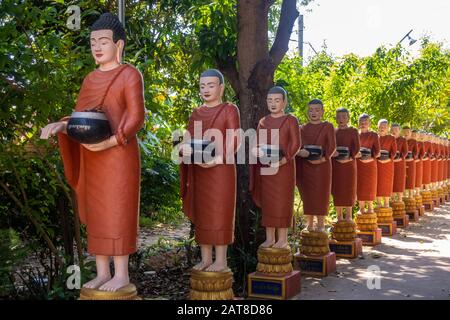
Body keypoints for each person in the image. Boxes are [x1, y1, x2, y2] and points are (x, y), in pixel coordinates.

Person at [40, 13, 145, 292]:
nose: (97, 47)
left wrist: (110, 142)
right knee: (98, 212)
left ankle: (120, 273)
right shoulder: (90, 79)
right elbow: (80, 116)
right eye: (92, 42)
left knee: (118, 210)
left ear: (118, 45)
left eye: (103, 41)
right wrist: (62, 126)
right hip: (91, 155)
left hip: (119, 154)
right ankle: (101, 271)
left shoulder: (129, 74)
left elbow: (136, 116)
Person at [179, 69, 241, 272]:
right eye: (202, 86)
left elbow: (234, 139)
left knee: (219, 212)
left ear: (221, 88)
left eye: (211, 85)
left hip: (221, 171)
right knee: (203, 213)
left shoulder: (229, 110)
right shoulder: (196, 113)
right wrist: (183, 150)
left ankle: (221, 260)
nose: (206, 90)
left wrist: (218, 159)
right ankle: (206, 258)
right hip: (199, 171)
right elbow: (188, 140)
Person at [250, 86, 301, 248]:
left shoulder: (291, 120)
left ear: (284, 102)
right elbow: (258, 143)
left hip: (284, 168)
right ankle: (270, 237)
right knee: (269, 203)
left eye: (277, 100)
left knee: (282, 201)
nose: (273, 103)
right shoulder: (263, 122)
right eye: (270, 100)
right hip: (266, 168)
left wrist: (283, 160)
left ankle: (283, 239)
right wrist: (257, 151)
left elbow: (296, 144)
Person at [296, 99, 336, 231]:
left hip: (322, 166)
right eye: (311, 110)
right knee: (307, 194)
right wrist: (300, 152)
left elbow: (331, 147)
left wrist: (322, 159)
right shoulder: (302, 128)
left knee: (321, 194)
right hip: (306, 166)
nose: (314, 112)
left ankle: (320, 224)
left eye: (317, 110)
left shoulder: (328, 126)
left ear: (322, 112)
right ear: (308, 111)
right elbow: (298, 146)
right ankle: (309, 224)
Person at [331, 108, 360, 222]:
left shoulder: (353, 131)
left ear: (348, 118)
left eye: (344, 116)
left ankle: (348, 216)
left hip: (349, 165)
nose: (341, 119)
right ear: (336, 118)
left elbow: (356, 147)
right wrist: (333, 153)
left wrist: (350, 157)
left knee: (349, 190)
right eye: (339, 117)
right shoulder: (333, 131)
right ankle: (339, 217)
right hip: (336, 165)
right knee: (337, 190)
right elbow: (330, 146)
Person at [356, 114, 381, 214]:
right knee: (360, 185)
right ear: (358, 123)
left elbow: (377, 152)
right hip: (358, 164)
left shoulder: (374, 135)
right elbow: (352, 150)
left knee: (370, 185)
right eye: (361, 122)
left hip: (370, 164)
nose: (363, 124)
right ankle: (361, 208)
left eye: (365, 122)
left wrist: (369, 158)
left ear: (369, 123)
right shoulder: (356, 135)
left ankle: (370, 208)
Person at [376, 119, 397, 208]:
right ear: (378, 127)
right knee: (378, 183)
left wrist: (389, 158)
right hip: (377, 163)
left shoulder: (391, 138)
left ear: (387, 128)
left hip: (388, 164)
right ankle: (379, 203)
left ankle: (387, 203)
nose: (382, 128)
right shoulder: (375, 137)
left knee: (387, 183)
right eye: (380, 127)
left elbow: (394, 151)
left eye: (384, 127)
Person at [391, 124, 408, 202]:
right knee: (392, 180)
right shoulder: (389, 138)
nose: (394, 132)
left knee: (399, 180)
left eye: (396, 130)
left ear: (399, 131)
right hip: (390, 162)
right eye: (393, 130)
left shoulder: (403, 140)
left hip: (400, 162)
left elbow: (405, 152)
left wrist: (400, 157)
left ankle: (400, 199)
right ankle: (392, 199)